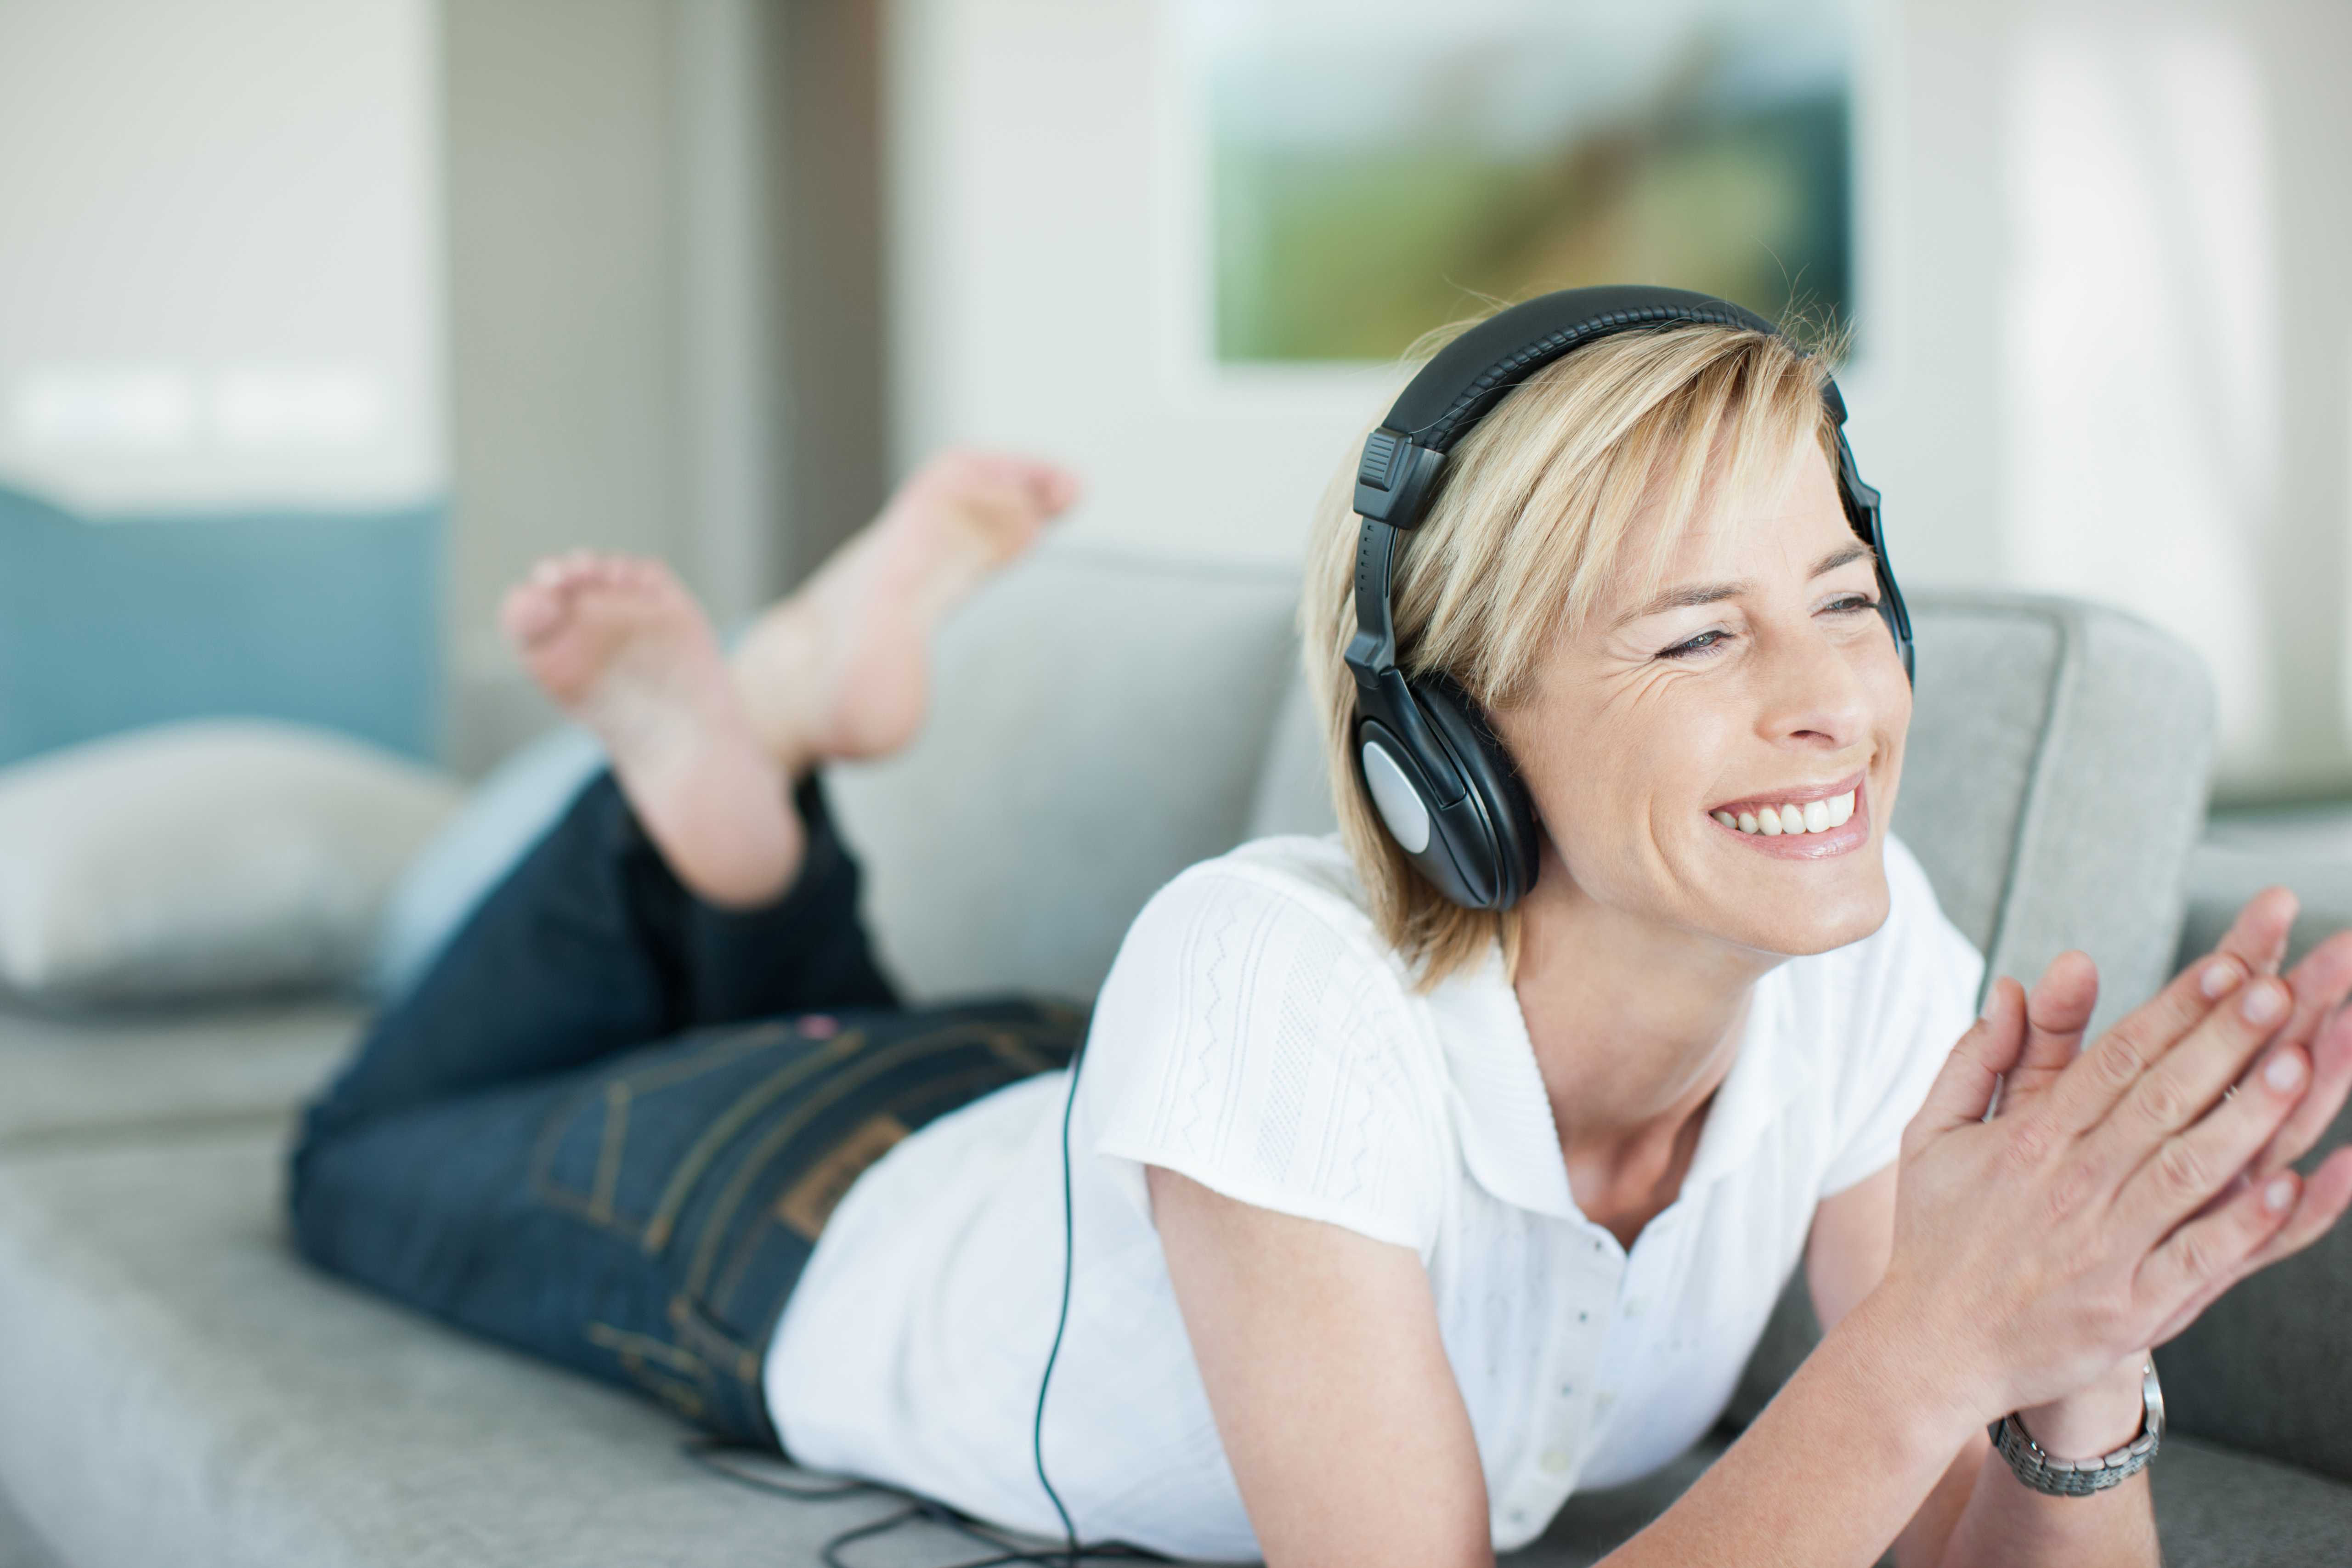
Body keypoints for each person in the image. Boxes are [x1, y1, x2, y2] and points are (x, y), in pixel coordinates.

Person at [291, 310, 2352, 1568]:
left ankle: (762, 781)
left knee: (798, 1021)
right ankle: (724, 768)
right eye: (1698, 637)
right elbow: (1893, 1393)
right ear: (1450, 740)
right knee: (363, 1156)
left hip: (1090, 1116)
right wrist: (1931, 1343)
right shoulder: (1267, 968)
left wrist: (2072, 1361)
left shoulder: (1866, 951)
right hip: (812, 1213)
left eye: (1839, 600)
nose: (1833, 701)